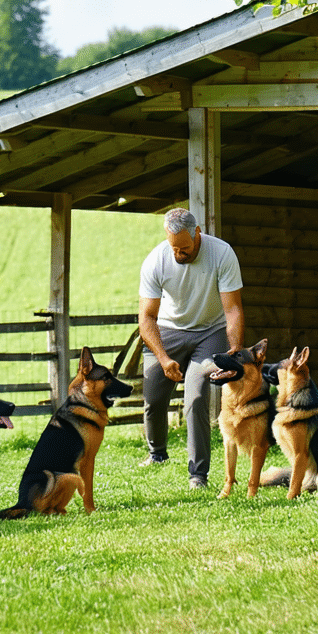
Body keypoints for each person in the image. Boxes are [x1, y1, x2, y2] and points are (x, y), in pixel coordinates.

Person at [138, 208, 245, 488]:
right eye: (174, 247)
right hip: (168, 330)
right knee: (153, 395)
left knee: (196, 397)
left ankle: (198, 474)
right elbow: (146, 317)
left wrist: (234, 348)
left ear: (198, 233)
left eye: (184, 248)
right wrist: (162, 359)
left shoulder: (221, 254)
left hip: (210, 331)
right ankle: (157, 453)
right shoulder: (156, 261)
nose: (178, 253)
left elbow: (232, 309)